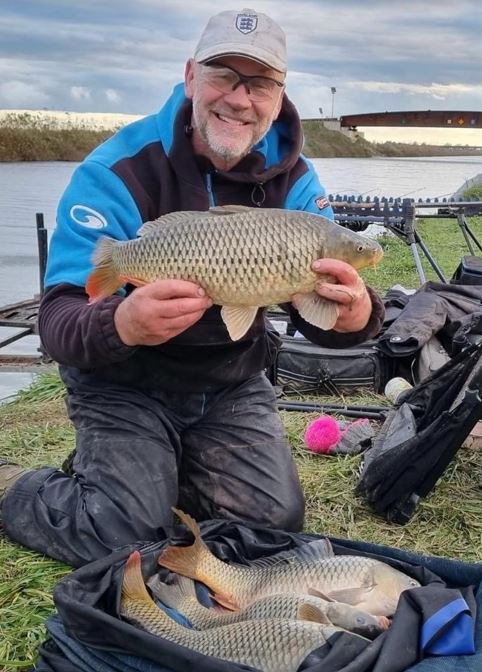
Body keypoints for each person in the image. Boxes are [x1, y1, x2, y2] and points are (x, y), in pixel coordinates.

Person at [0, 8, 385, 567]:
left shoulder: (298, 182)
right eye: (223, 75)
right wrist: (123, 323)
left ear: (279, 96)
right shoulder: (115, 170)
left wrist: (358, 317)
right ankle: (15, 486)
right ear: (190, 77)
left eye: (259, 83)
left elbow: (321, 315)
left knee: (272, 528)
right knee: (124, 538)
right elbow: (58, 322)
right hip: (123, 383)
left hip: (229, 383)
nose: (240, 98)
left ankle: (164, 471)